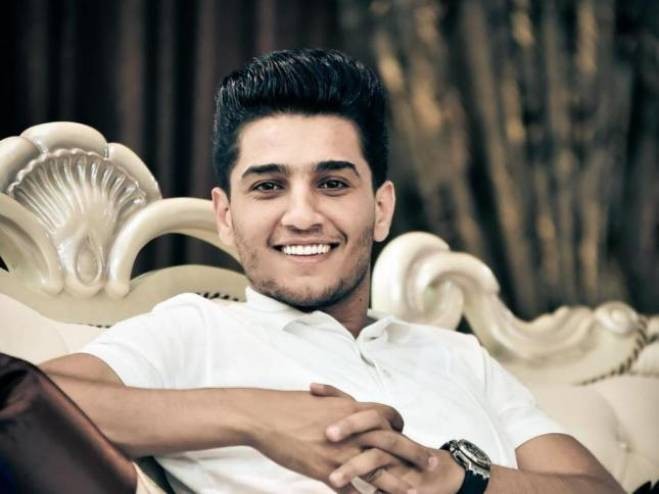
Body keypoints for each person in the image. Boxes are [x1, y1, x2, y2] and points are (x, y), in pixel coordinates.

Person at [40, 48, 623, 494]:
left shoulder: (456, 354)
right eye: (268, 186)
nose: (302, 215)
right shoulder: (195, 329)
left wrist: (457, 478)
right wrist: (258, 416)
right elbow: (23, 399)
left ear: (381, 209)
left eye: (333, 183)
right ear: (225, 216)